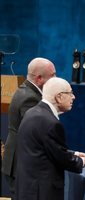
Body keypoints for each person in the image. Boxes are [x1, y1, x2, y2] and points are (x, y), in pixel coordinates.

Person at [15, 77, 85, 200]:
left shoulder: (33, 112)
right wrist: (81, 162)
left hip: (29, 188)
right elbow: (59, 156)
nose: (74, 97)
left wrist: (75, 153)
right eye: (70, 93)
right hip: (42, 193)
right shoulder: (50, 122)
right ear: (59, 97)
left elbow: (45, 149)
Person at [2, 57, 56, 198]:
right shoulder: (30, 98)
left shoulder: (27, 91)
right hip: (21, 164)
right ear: (39, 78)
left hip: (18, 162)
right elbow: (36, 134)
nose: (55, 79)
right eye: (53, 76)